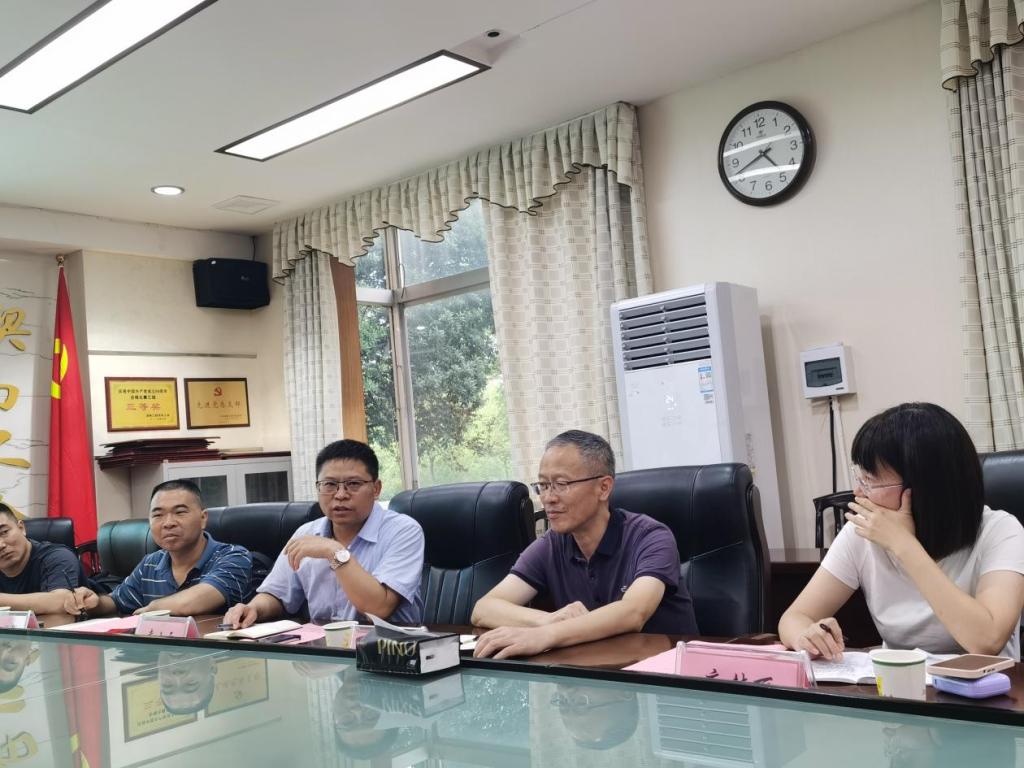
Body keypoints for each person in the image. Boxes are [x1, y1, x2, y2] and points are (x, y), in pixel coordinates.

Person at [779, 402, 1024, 660]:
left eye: (870, 481)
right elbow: (794, 617)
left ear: (921, 488)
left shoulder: (1000, 531)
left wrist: (904, 545)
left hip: (986, 684)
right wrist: (806, 635)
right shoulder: (862, 532)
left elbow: (986, 641)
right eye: (860, 478)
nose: (859, 492)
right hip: (899, 681)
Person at [472, 430, 697, 659]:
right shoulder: (551, 544)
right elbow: (484, 608)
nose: (548, 498)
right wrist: (547, 620)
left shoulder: (650, 537)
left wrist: (547, 634)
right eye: (543, 485)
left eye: (561, 484)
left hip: (670, 673)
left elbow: (633, 612)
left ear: (603, 488)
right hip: (598, 671)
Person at [224, 439, 424, 628]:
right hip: (322, 646)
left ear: (376, 488)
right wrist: (254, 608)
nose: (340, 495)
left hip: (388, 646)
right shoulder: (306, 533)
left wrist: (335, 552)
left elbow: (378, 608)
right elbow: (277, 594)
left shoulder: (403, 531)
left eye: (353, 484)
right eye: (329, 485)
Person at [65, 480, 253, 617]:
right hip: (164, 655)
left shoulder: (233, 557)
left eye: (180, 512)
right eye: (158, 515)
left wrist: (152, 609)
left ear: (203, 519)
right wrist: (94, 602)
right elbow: (116, 601)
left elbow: (194, 601)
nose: (168, 523)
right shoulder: (151, 563)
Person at [0, 501, 86, 627]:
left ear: (21, 528)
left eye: (4, 532)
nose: (1, 545)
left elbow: (62, 603)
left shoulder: (58, 556)